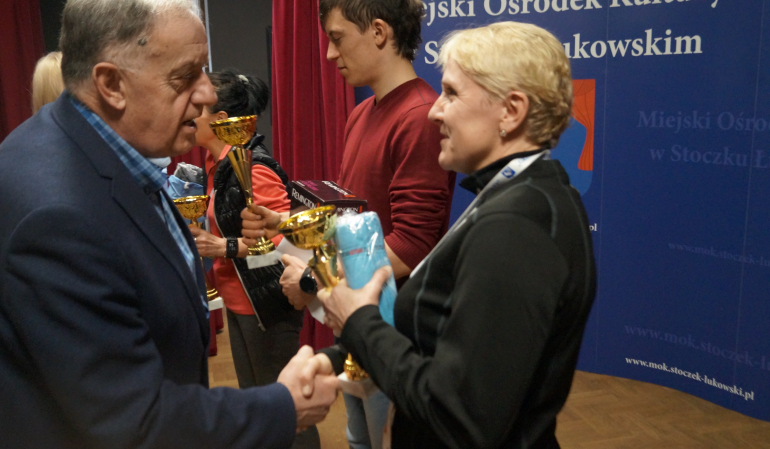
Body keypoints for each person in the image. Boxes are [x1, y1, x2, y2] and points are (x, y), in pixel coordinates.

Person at [0, 1, 338, 448]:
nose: (206, 95)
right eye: (185, 77)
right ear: (111, 84)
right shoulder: (58, 214)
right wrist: (283, 407)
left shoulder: (97, 152)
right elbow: (133, 422)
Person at [312, 21, 598, 448]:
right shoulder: (519, 197)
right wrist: (335, 356)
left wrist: (359, 323)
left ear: (511, 111)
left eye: (451, 93)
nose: (434, 111)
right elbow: (440, 336)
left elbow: (462, 416)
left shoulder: (517, 227)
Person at [245, 1, 455, 448]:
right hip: (358, 322)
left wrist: (314, 280)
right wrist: (285, 222)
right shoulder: (362, 113)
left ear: (379, 32)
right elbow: (350, 219)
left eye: (338, 39)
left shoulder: (419, 115)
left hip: (396, 328)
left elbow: (412, 244)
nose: (329, 54)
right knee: (359, 438)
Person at [189, 69, 320, 448]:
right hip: (239, 298)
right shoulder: (216, 166)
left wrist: (222, 247)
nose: (190, 113)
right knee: (259, 403)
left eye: (198, 108)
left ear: (220, 119)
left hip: (266, 303)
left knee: (288, 409)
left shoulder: (254, 168)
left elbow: (282, 240)